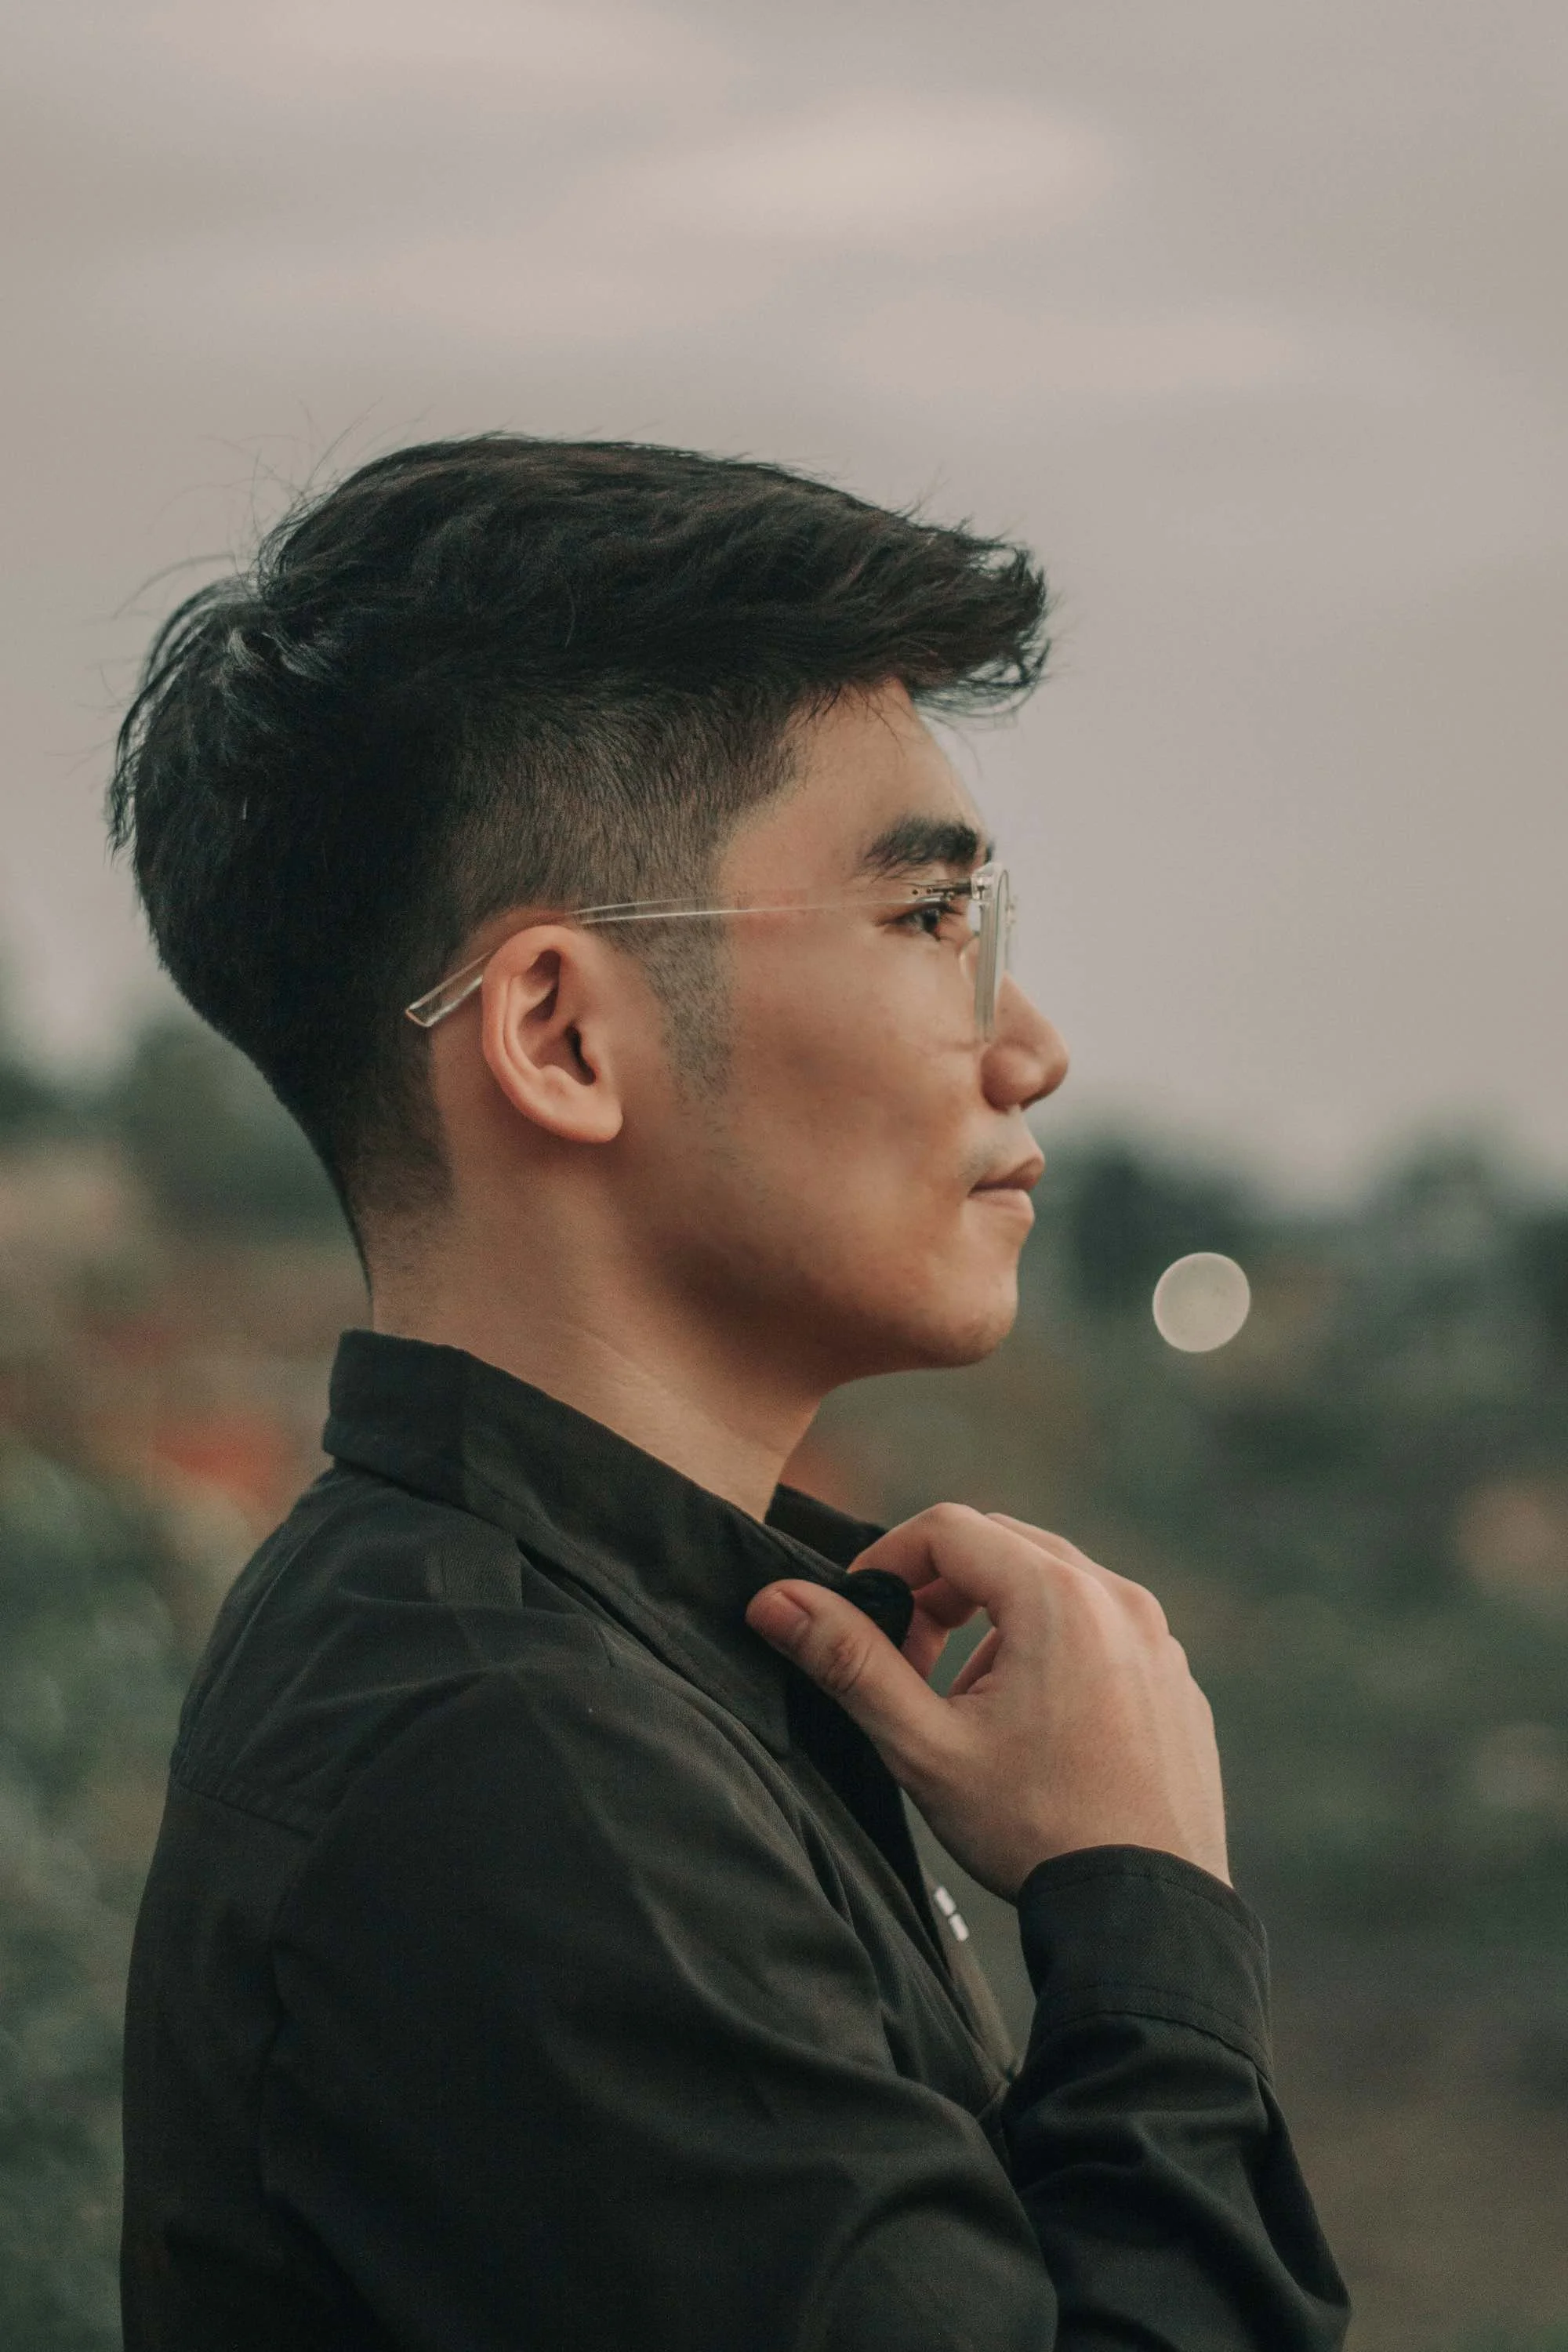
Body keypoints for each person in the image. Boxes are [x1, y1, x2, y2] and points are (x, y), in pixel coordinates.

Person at [112, 435, 1348, 2351]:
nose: (1028, 1045)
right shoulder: (508, 1770)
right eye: (933, 923)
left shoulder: (595, 1665)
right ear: (560, 1033)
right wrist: (1143, 1913)